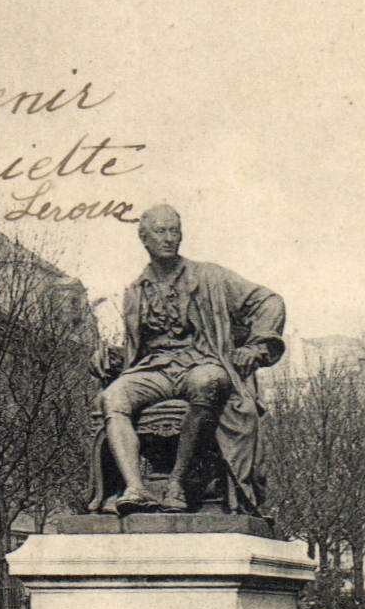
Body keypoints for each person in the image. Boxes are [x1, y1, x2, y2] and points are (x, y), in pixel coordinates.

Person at [94, 204, 286, 515]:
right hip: (154, 369)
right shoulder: (136, 291)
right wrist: (108, 356)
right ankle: (135, 488)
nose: (168, 238)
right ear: (144, 238)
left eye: (174, 231)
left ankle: (177, 483)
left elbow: (269, 302)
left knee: (206, 382)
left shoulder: (210, 276)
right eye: (160, 231)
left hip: (203, 362)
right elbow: (135, 350)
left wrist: (256, 347)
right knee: (112, 397)